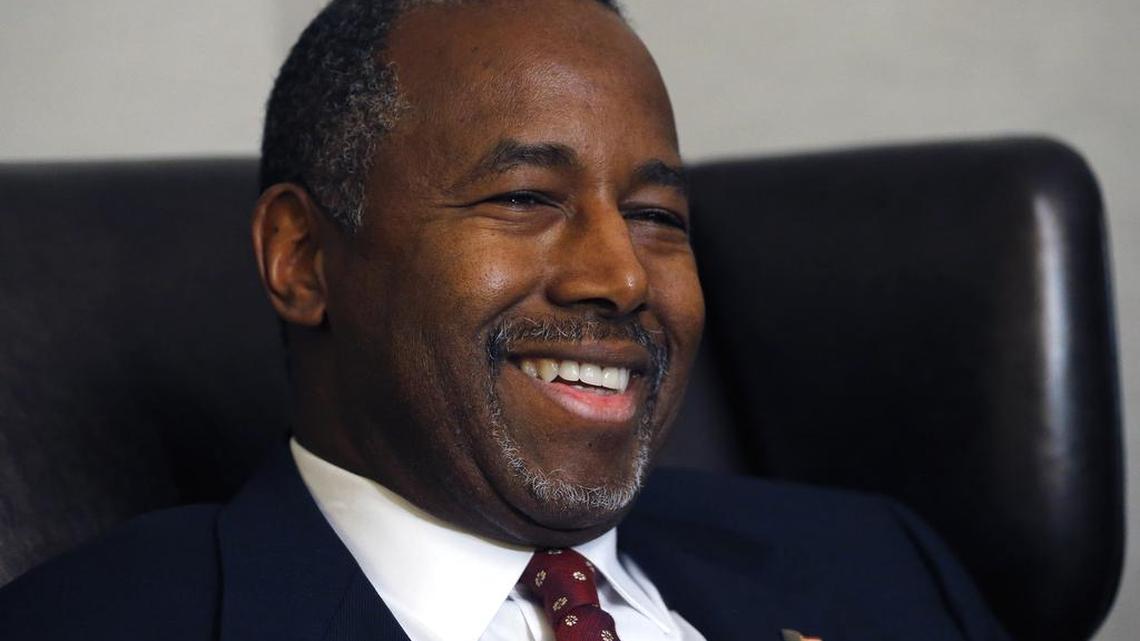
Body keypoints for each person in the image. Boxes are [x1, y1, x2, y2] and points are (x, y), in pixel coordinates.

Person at [0, 1, 1010, 640]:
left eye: (658, 216)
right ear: (305, 259)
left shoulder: (878, 564)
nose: (621, 273)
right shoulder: (89, 622)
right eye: (525, 196)